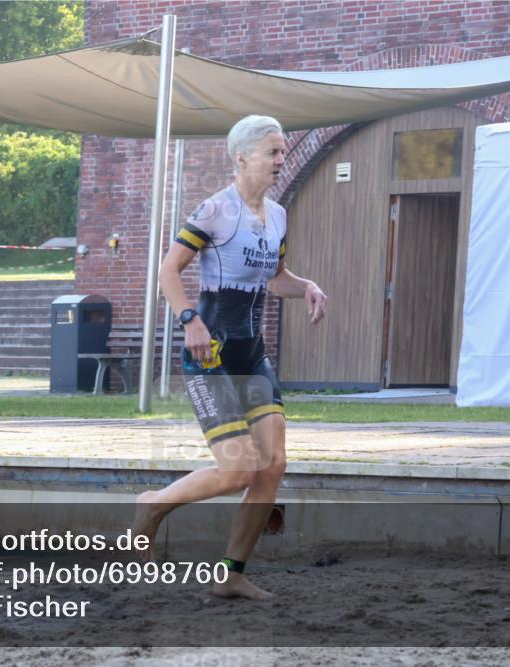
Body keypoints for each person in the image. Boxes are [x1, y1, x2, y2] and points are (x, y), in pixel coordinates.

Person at [132, 115, 328, 600]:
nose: (282, 160)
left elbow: (275, 278)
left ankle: (230, 574)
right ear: (241, 157)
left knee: (273, 466)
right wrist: (188, 320)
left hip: (253, 358)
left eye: (283, 151)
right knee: (238, 470)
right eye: (273, 152)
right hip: (210, 356)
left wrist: (305, 286)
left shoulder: (279, 215)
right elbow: (168, 270)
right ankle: (153, 504)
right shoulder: (215, 210)